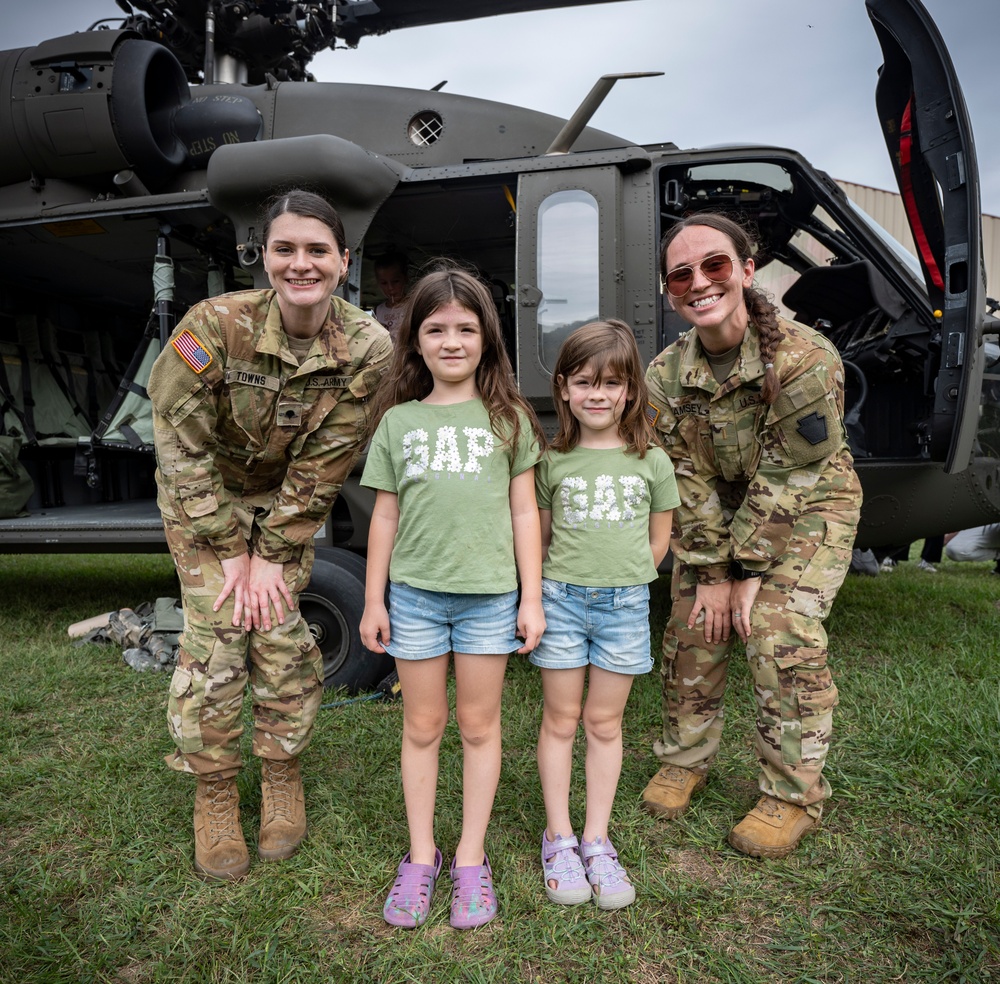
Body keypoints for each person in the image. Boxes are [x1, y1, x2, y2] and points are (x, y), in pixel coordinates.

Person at [148, 189, 392, 882]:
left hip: (285, 502)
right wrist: (232, 552)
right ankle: (216, 791)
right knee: (221, 632)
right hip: (203, 500)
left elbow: (327, 462)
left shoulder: (368, 347)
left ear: (343, 261)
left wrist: (272, 553)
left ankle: (282, 773)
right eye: (285, 249)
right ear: (264, 256)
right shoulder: (215, 325)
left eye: (317, 250)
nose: (301, 264)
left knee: (282, 632)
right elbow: (179, 448)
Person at [640, 213, 862, 859]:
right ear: (668, 289)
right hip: (720, 512)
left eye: (714, 265)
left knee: (776, 627)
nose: (698, 282)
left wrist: (750, 573)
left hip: (812, 502)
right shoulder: (665, 375)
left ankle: (791, 793)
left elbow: (794, 473)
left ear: (745, 268)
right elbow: (685, 478)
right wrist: (712, 574)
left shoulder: (804, 357)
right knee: (691, 624)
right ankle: (686, 757)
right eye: (682, 273)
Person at [359, 267, 545, 929]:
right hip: (413, 598)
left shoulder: (509, 418)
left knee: (478, 726)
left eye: (466, 328)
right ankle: (421, 855)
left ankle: (470, 856)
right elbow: (384, 516)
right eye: (436, 329)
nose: (452, 340)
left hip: (490, 600)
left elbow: (526, 514)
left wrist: (532, 598)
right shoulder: (399, 422)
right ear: (414, 342)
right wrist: (373, 599)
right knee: (422, 725)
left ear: (487, 340)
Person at [531, 320, 678, 910]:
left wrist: (620, 579)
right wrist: (542, 596)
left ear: (630, 391)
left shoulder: (653, 462)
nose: (598, 394)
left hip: (624, 606)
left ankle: (596, 838)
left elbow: (658, 543)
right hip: (563, 602)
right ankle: (559, 837)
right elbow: (537, 542)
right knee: (561, 719)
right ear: (564, 388)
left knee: (604, 724)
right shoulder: (552, 463)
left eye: (612, 383)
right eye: (585, 382)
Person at [373, 251, 410, 341]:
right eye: (384, 283)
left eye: (395, 281)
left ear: (405, 279)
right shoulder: (378, 311)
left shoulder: (414, 306)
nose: (390, 288)